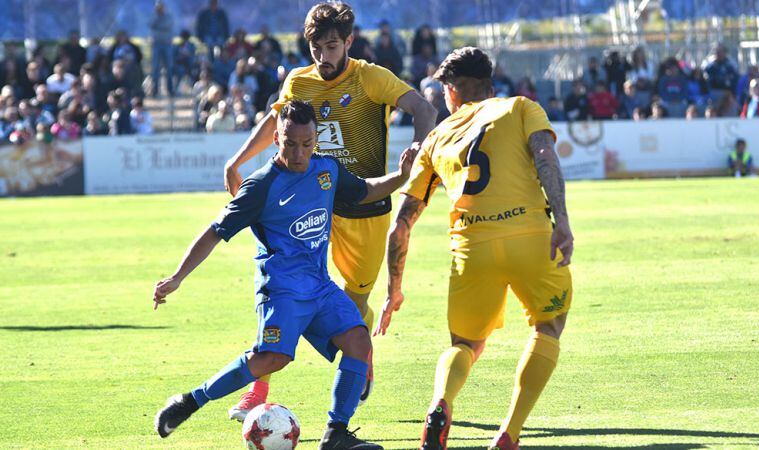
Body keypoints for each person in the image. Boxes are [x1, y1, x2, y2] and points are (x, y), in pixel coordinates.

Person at [153, 100, 416, 449]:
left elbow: (365, 190)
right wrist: (177, 277)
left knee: (358, 341)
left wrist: (401, 176)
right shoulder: (261, 186)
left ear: (316, 139)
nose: (298, 152)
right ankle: (190, 401)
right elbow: (215, 231)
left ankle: (336, 434)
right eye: (290, 143)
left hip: (320, 287)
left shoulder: (327, 171)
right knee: (272, 359)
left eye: (306, 144)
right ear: (276, 138)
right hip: (282, 291)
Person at [223, 1, 437, 419]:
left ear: (349, 43)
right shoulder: (298, 83)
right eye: (317, 47)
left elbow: (425, 110)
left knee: (352, 310)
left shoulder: (371, 78)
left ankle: (363, 358)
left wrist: (417, 153)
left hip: (365, 207)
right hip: (312, 201)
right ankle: (257, 391)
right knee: (282, 290)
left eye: (333, 46)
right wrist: (237, 161)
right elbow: (277, 124)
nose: (324, 56)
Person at [375, 47, 573, 450]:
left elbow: (401, 223)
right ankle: (509, 433)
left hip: (471, 249)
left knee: (465, 345)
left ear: (451, 92)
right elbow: (544, 155)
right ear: (489, 83)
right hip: (529, 238)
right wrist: (563, 220)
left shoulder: (436, 138)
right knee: (547, 326)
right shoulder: (520, 108)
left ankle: (440, 404)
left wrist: (393, 289)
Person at [150, 0, 175, 98]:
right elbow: (150, 24)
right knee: (155, 68)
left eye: (161, 7)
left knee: (169, 68)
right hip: (156, 44)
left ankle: (170, 89)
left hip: (167, 44)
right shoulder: (154, 16)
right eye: (158, 8)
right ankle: (155, 90)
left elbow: (167, 25)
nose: (159, 10)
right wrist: (157, 21)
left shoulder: (168, 17)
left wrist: (157, 26)